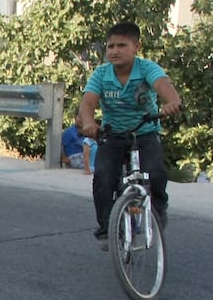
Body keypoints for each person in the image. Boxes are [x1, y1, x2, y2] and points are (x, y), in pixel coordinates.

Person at [77, 21, 183, 245]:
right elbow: (87, 103)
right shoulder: (101, 74)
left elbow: (165, 87)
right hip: (112, 134)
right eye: (110, 46)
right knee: (104, 178)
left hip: (144, 132)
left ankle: (159, 206)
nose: (114, 51)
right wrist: (89, 123)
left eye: (121, 45)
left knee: (155, 173)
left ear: (136, 46)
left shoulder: (147, 69)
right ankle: (106, 229)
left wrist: (172, 103)